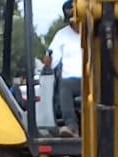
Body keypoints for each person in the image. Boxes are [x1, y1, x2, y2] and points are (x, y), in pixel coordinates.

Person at [46, 0, 83, 135]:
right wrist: (48, 61)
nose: (75, 25)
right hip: (70, 81)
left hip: (93, 79)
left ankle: (109, 126)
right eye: (72, 22)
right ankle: (72, 127)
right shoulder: (61, 35)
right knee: (64, 87)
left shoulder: (95, 33)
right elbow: (53, 60)